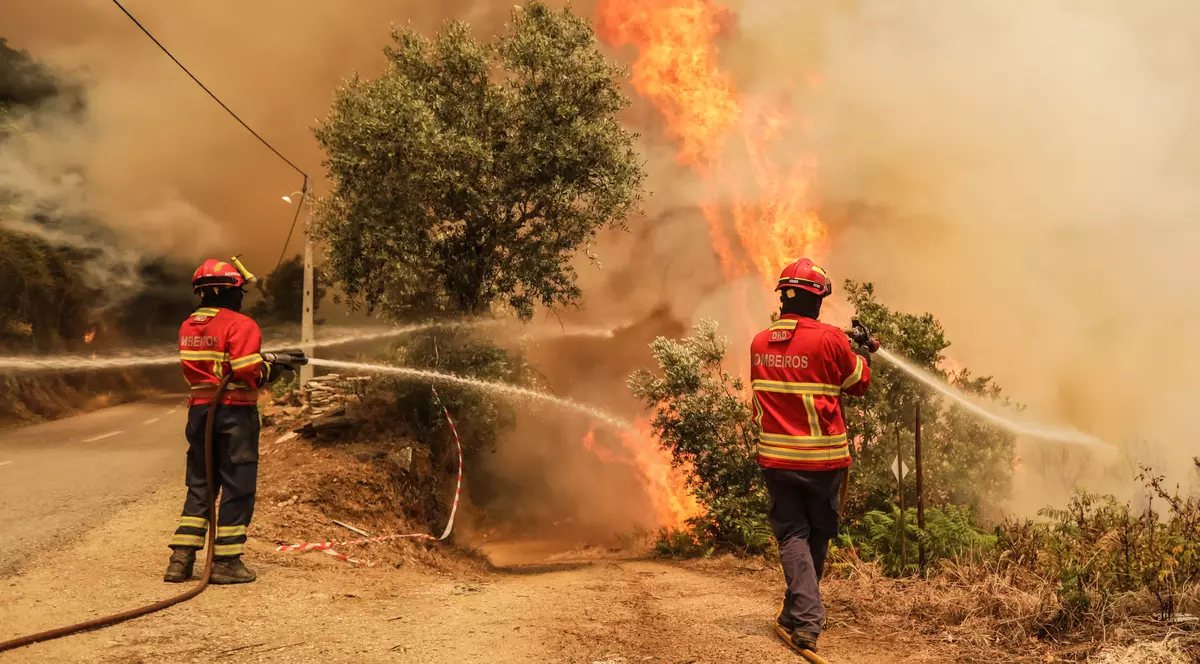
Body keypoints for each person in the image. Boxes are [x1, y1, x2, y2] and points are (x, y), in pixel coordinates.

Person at [749, 257, 875, 654]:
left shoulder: (758, 342)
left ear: (783, 299)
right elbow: (858, 383)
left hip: (776, 460)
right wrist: (865, 353)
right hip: (823, 462)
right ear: (817, 300)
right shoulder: (830, 340)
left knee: (793, 535)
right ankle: (807, 622)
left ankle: (796, 609)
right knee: (814, 533)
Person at [164, 258, 299, 584]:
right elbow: (246, 372)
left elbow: (218, 364)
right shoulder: (241, 324)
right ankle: (226, 561)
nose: (242, 298)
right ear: (227, 291)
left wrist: (264, 359)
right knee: (238, 486)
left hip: (199, 413)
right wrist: (274, 369)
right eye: (239, 291)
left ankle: (180, 560)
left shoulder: (188, 326)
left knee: (201, 483)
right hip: (234, 414)